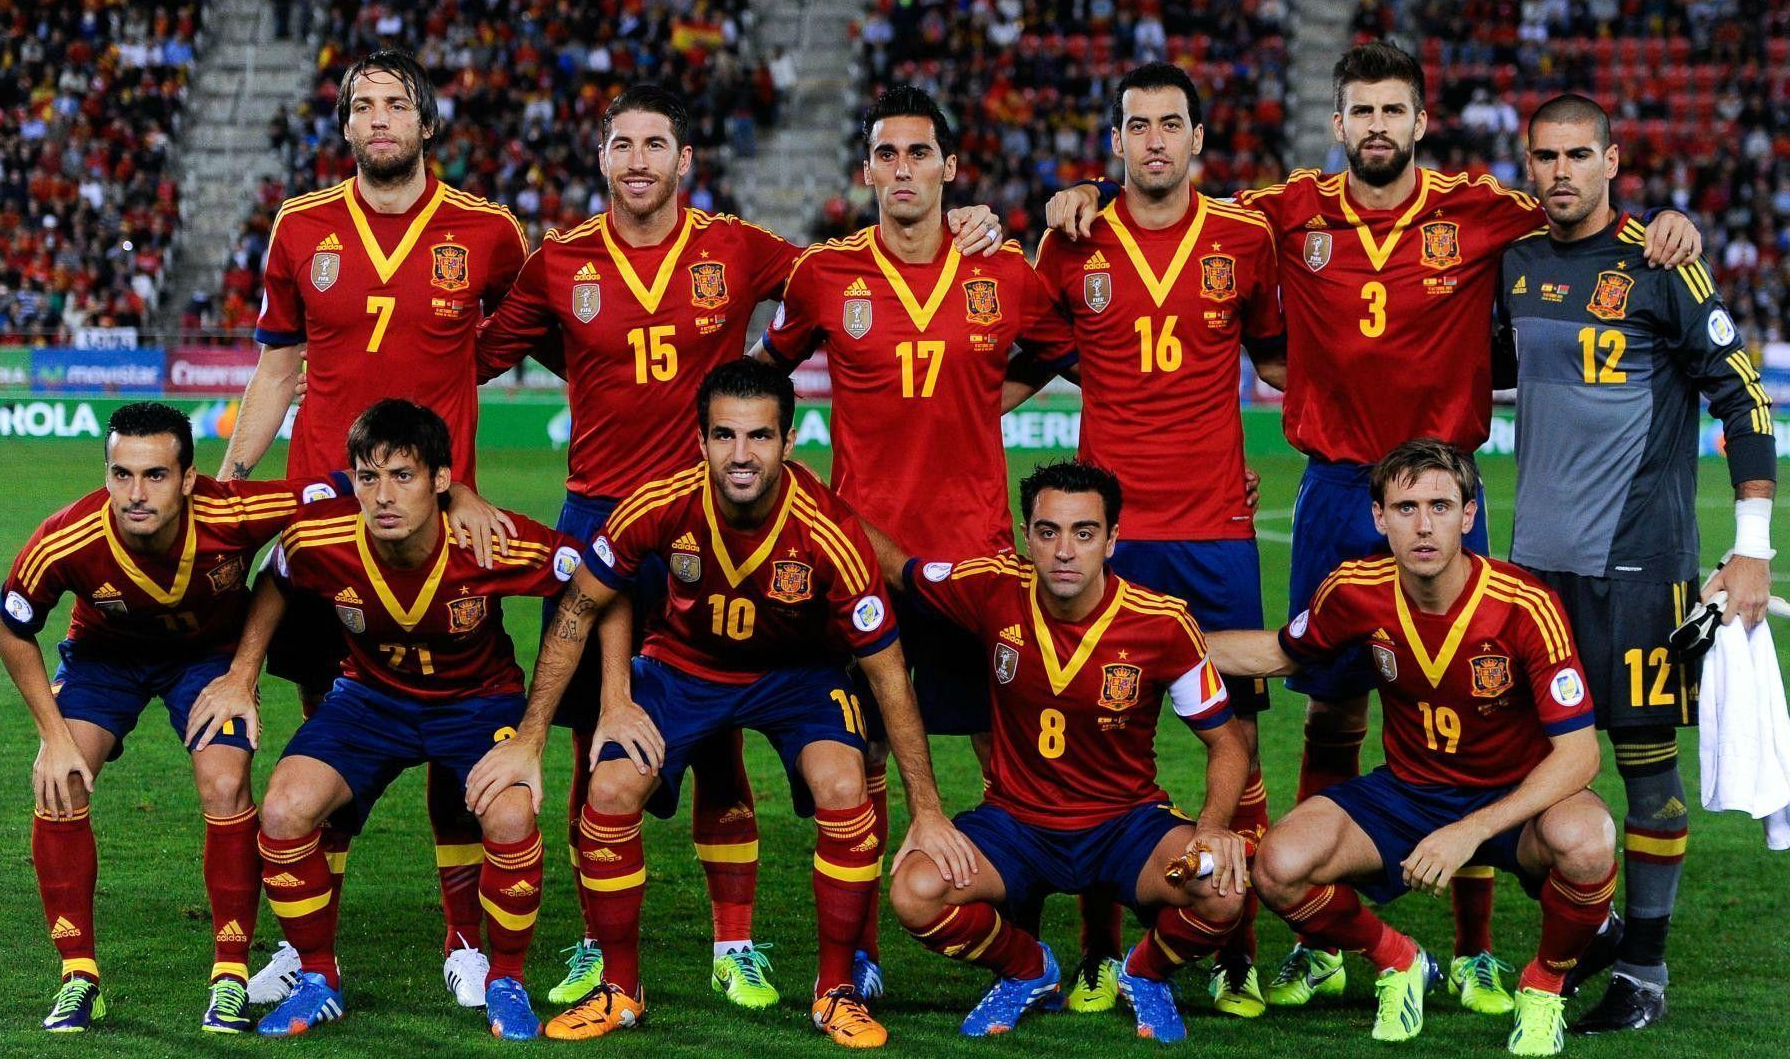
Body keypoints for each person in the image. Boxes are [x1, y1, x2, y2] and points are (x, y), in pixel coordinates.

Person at [1046, 40, 1699, 1011]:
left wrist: (1667, 224)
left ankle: (1475, 947)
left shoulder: (1480, 208)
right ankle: (1326, 939)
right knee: (1331, 703)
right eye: (1363, 111)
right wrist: (1090, 187)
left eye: (1396, 110)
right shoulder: (1286, 212)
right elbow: (1175, 199)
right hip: (1339, 490)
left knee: (1484, 718)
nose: (1379, 126)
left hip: (1443, 490)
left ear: (1421, 122)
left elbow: (1586, 210)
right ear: (1339, 123)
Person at [475, 82, 1003, 1009]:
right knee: (602, 739)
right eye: (621, 144)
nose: (637, 161)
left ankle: (735, 944)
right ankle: (601, 953)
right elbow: (481, 350)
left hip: (717, 517)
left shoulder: (739, 247)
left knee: (716, 741)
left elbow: (850, 277)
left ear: (686, 162)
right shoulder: (560, 262)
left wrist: (960, 230)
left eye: (656, 145)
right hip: (605, 516)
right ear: (601, 159)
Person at [519, 360, 956, 1047]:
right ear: (700, 441)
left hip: (799, 675)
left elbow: (889, 674)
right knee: (609, 785)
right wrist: (529, 738)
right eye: (725, 436)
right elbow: (581, 605)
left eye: (759, 437)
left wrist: (927, 810)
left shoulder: (828, 532)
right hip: (685, 668)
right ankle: (620, 988)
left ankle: (836, 990)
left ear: (787, 441)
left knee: (845, 786)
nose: (741, 454)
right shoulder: (660, 502)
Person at [218, 47, 527, 1007]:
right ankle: (311, 954)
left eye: (397, 104)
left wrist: (459, 478)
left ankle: (464, 940)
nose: (379, 118)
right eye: (363, 106)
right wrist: (231, 479)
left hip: (437, 530)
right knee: (328, 721)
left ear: (426, 123)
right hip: (324, 523)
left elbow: (523, 341)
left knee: (457, 723)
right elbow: (276, 368)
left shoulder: (486, 231)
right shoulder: (301, 225)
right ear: (345, 126)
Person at [754, 83, 1073, 1002]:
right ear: (866, 172)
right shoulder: (826, 275)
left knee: (1002, 756)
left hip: (979, 557)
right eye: (886, 155)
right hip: (862, 558)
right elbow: (763, 375)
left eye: (918, 153)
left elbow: (1059, 351)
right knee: (862, 761)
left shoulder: (1004, 273)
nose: (902, 169)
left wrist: (987, 400)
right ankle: (860, 953)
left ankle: (1020, 944)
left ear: (949, 167)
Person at [1499, 94, 1777, 1034]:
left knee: (1647, 773)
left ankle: (1644, 976)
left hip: (1638, 566)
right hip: (1533, 573)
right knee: (1518, 777)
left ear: (1614, 161)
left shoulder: (1664, 264)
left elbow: (1747, 403)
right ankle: (1604, 923)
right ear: (1527, 164)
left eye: (1580, 154)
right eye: (1545, 156)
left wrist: (1752, 550)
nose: (1562, 171)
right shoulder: (1518, 261)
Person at [1017, 62, 1284, 1015]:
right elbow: (1018, 359)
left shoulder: (1246, 239)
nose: (1157, 141)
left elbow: (1287, 361)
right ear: (1117, 141)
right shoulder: (1070, 240)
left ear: (1199, 140)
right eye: (1139, 126)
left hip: (1215, 529)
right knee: (1097, 746)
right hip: (1107, 536)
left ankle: (1235, 946)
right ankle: (1096, 951)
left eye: (1174, 125)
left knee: (1237, 744)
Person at [1207, 439, 1616, 1056]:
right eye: (1404, 508)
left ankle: (1545, 985)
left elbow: (1581, 756)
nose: (1424, 526)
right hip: (1407, 795)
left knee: (1589, 842)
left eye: (1440, 506)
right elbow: (1278, 653)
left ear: (1468, 515)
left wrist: (1469, 831)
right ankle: (1401, 961)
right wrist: (1163, 637)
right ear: (1379, 518)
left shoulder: (1525, 605)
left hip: (1515, 798)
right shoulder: (1354, 589)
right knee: (1278, 866)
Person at [212, 399, 582, 1039]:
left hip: (477, 703)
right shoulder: (319, 540)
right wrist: (241, 676)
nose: (383, 496)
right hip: (368, 703)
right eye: (368, 477)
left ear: (442, 481)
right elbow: (275, 576)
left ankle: (507, 980)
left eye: (403, 476)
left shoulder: (488, 538)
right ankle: (318, 980)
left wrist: (534, 731)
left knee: (512, 814)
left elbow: (595, 585)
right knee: (283, 810)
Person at [0, 402, 350, 1033]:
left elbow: (347, 488)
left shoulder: (233, 511)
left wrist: (455, 499)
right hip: (105, 661)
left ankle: (230, 976)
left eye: (155, 475)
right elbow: (12, 627)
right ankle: (79, 976)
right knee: (59, 785)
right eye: (121, 474)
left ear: (188, 478)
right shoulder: (66, 538)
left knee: (226, 783)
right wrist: (52, 737)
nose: (135, 493)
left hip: (205, 662)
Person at [875, 461, 1253, 1043]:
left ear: (1112, 539)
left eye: (1084, 532)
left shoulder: (1162, 623)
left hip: (1126, 826)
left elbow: (1226, 742)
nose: (1064, 551)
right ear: (1027, 536)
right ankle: (1030, 970)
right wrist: (810, 496)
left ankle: (1144, 973)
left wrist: (1212, 827)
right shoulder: (992, 587)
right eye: (1048, 532)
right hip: (1016, 826)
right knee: (914, 892)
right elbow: (900, 569)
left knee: (1224, 890)